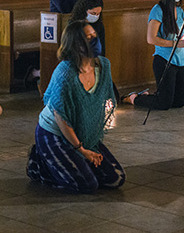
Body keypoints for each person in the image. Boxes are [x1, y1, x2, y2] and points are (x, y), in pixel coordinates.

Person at [26, 20, 125, 193]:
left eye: (94, 35)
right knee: (87, 185)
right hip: (55, 133)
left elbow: (102, 101)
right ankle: (39, 165)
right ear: (76, 44)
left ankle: (75, 163)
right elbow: (61, 117)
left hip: (83, 132)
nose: (95, 39)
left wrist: (89, 143)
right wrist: (82, 150)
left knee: (115, 178)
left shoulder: (103, 65)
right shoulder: (65, 73)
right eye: (88, 37)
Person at [122, 0, 184, 110]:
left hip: (180, 59)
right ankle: (134, 98)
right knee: (164, 104)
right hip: (164, 59)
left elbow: (178, 34)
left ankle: (155, 95)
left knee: (179, 102)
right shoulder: (158, 10)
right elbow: (151, 38)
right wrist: (175, 44)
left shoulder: (180, 11)